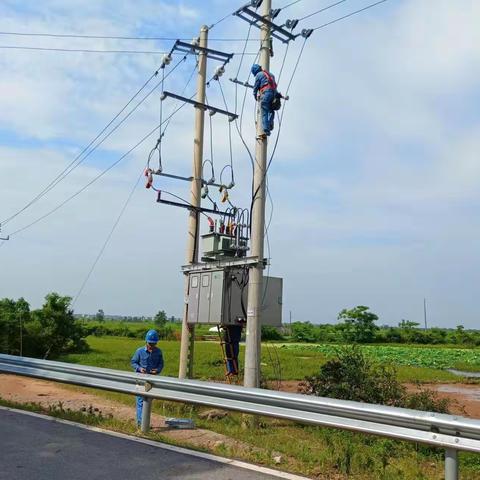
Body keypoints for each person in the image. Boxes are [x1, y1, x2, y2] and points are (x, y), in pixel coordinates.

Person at [131, 329, 164, 426]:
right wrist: (140, 368)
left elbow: (161, 364)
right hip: (140, 379)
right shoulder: (140, 351)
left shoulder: (158, 352)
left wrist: (157, 370)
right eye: (150, 344)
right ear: (146, 342)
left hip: (151, 380)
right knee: (140, 401)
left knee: (148, 401)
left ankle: (144, 422)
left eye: (153, 344)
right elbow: (133, 362)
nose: (151, 346)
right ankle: (141, 423)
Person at [251, 63, 277, 138]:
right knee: (271, 110)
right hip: (274, 93)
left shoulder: (259, 75)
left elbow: (256, 87)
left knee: (264, 110)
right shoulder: (271, 75)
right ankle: (270, 122)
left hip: (266, 93)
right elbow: (275, 86)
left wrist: (255, 95)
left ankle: (266, 129)